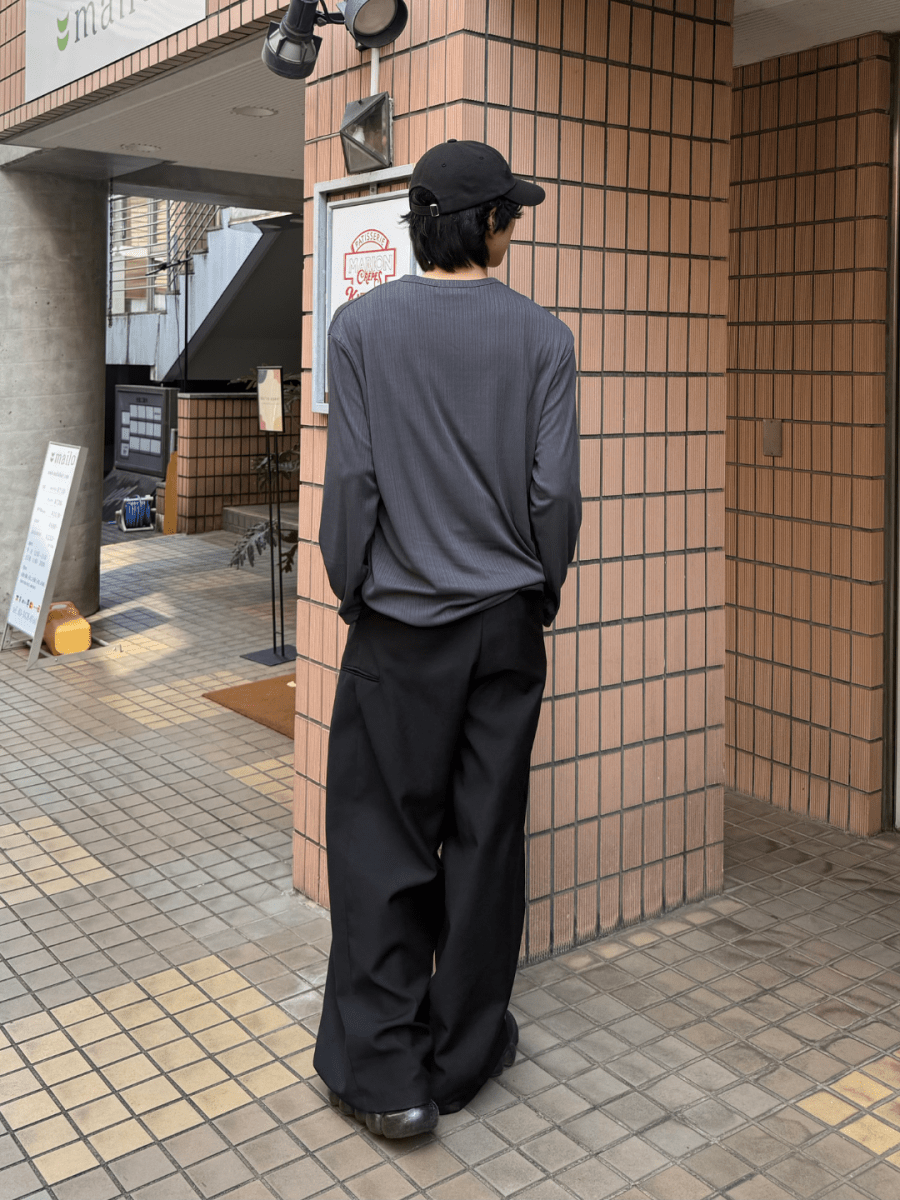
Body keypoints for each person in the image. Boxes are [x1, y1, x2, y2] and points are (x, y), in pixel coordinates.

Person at [314, 139, 581, 1138]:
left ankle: (388, 1077)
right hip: (505, 627)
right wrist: (538, 592)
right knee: (485, 840)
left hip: (399, 627)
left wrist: (356, 590)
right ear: (487, 225)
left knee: (382, 841)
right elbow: (554, 495)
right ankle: (464, 1055)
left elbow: (355, 485)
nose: (513, 226)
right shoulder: (544, 339)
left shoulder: (361, 329)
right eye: (510, 212)